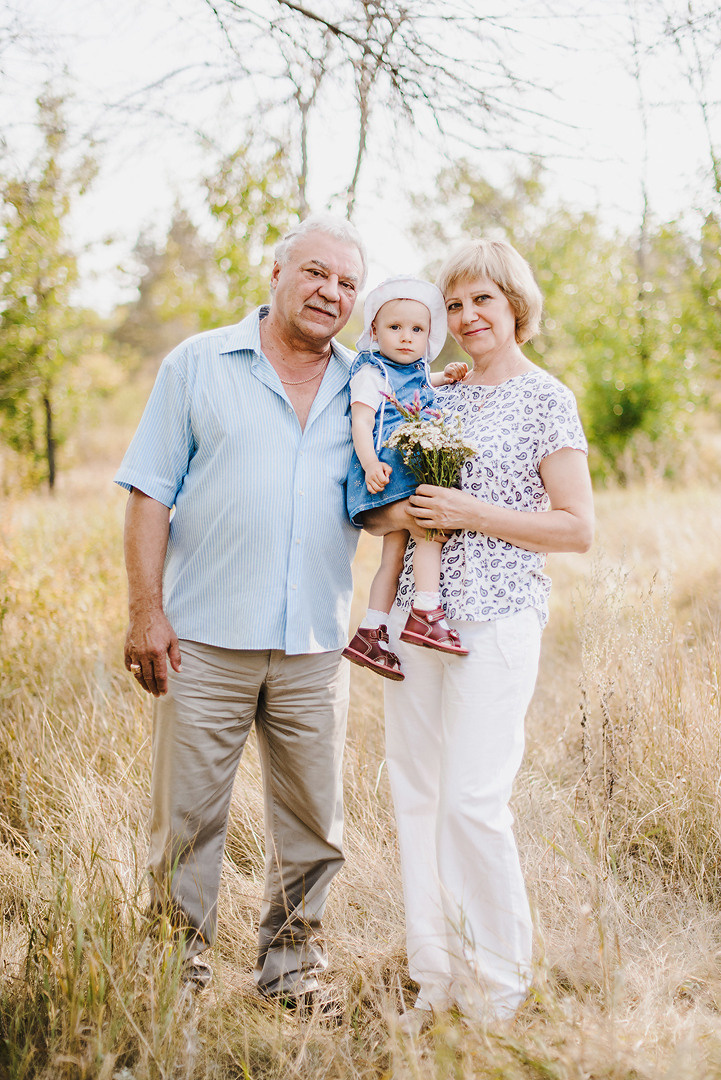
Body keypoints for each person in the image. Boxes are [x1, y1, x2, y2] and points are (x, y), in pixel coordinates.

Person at [114, 213, 366, 1012]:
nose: (330, 292)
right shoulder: (196, 364)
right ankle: (173, 979)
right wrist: (145, 610)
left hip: (314, 647)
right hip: (205, 641)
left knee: (314, 828)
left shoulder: (368, 384)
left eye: (348, 283)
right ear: (277, 272)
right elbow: (149, 490)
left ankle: (292, 973)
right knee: (185, 823)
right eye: (316, 272)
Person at [362, 239, 594, 1027]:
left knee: (471, 799)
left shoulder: (546, 399)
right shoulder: (433, 391)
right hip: (412, 619)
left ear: (514, 305)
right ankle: (434, 981)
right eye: (452, 306)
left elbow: (575, 529)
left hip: (496, 618)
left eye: (481, 301)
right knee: (416, 793)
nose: (465, 319)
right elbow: (382, 498)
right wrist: (399, 513)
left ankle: (497, 993)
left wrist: (470, 515)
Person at [343, 276, 469, 681]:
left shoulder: (415, 370)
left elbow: (416, 386)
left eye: (417, 330)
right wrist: (369, 464)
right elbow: (361, 421)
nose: (406, 338)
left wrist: (443, 378)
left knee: (394, 558)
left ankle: (371, 630)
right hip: (385, 472)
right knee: (428, 528)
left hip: (402, 472)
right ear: (374, 332)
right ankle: (426, 611)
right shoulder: (370, 370)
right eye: (395, 327)